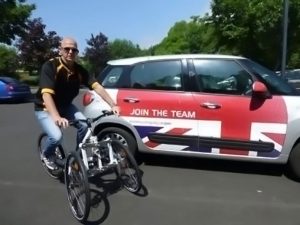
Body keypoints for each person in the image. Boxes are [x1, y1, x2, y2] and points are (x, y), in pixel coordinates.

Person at [34, 37, 120, 170]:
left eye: (74, 50)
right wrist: (56, 117)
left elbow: (97, 87)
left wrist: (112, 105)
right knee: (57, 137)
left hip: (65, 106)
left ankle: (77, 157)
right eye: (66, 49)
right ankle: (47, 154)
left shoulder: (79, 70)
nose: (70, 52)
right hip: (44, 108)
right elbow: (46, 94)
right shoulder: (50, 66)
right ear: (60, 50)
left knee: (85, 127)